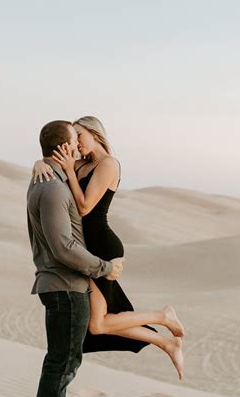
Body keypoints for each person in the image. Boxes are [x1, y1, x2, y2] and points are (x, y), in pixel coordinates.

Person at [33, 116, 185, 380]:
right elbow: (52, 162)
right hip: (86, 248)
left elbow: (84, 207)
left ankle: (163, 316)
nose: (76, 142)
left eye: (79, 135)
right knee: (98, 324)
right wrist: (38, 163)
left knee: (98, 323)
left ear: (94, 133)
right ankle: (166, 341)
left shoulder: (108, 165)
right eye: (74, 137)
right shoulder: (80, 163)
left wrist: (69, 170)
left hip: (102, 246)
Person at [26, 119, 124, 397]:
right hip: (65, 286)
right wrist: (103, 268)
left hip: (67, 285)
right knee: (60, 366)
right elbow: (64, 247)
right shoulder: (52, 187)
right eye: (75, 141)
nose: (80, 147)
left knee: (64, 365)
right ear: (64, 148)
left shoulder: (47, 178)